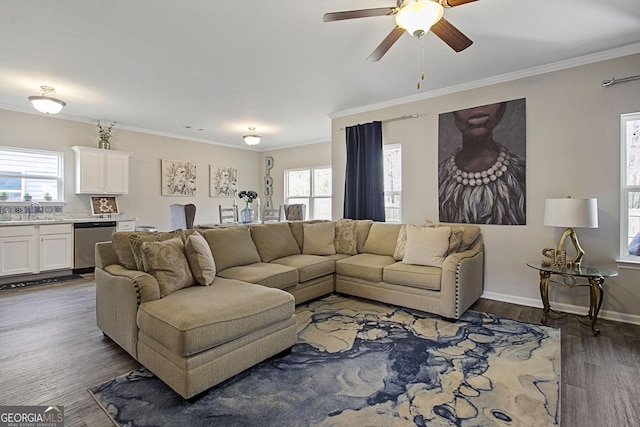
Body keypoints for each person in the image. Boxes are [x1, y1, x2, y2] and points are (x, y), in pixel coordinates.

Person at [438, 101, 526, 225]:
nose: (477, 108)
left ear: (502, 108)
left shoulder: (521, 173)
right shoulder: (440, 177)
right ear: (454, 114)